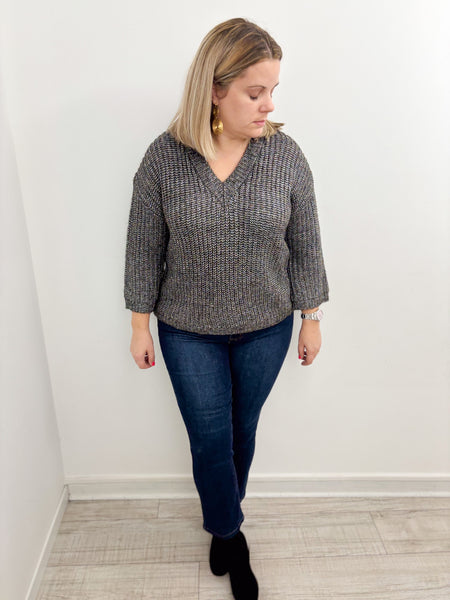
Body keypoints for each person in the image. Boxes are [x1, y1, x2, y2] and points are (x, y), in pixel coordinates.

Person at [124, 17, 329, 600]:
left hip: (267, 327)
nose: (268, 105)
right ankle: (229, 534)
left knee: (242, 430)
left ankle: (222, 520)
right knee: (209, 438)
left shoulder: (284, 156)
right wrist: (139, 325)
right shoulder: (165, 159)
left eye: (273, 91)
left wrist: (311, 317)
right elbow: (143, 247)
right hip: (187, 331)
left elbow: (306, 243)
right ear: (215, 90)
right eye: (254, 91)